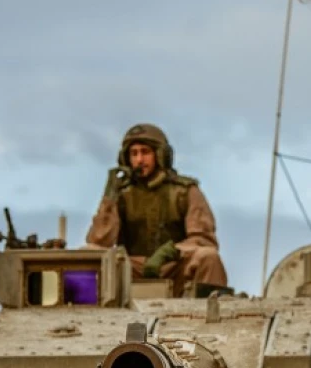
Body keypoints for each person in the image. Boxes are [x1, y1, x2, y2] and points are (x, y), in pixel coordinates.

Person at [84, 123, 228, 296]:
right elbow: (99, 242)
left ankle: (209, 314)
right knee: (88, 254)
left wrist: (169, 252)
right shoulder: (122, 193)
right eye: (133, 153)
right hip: (132, 268)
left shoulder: (184, 191)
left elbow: (203, 239)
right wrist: (109, 198)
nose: (139, 160)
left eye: (145, 152)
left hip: (174, 268)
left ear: (160, 155)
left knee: (208, 257)